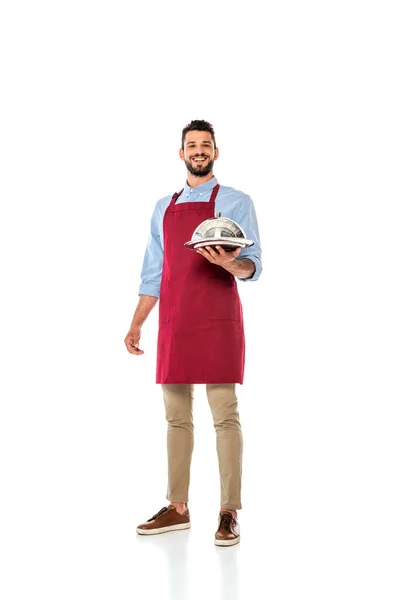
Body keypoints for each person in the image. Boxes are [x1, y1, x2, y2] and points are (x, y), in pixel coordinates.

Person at [124, 120, 262, 546]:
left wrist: (227, 264)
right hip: (176, 321)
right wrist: (137, 321)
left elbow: (253, 266)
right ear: (181, 154)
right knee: (176, 417)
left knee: (225, 414)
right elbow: (154, 271)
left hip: (218, 317)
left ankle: (228, 512)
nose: (198, 151)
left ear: (216, 153)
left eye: (206, 145)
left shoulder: (237, 201)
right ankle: (178, 507)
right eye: (191, 145)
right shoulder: (163, 207)